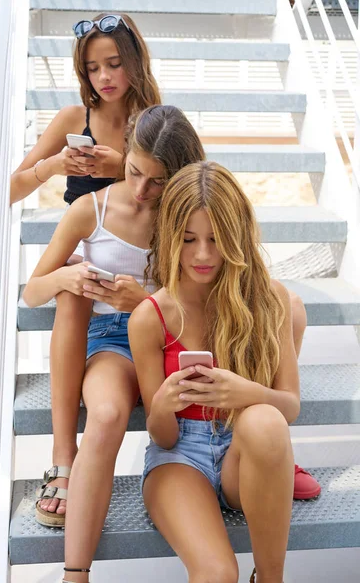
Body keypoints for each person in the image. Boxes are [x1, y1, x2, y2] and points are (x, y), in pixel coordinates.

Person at [22, 105, 206, 582]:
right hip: (113, 342)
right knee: (104, 414)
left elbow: (208, 303)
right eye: (135, 171)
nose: (143, 190)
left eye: (158, 181)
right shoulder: (92, 208)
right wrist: (67, 274)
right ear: (124, 153)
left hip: (177, 335)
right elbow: (32, 290)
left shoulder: (190, 219)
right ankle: (76, 572)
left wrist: (143, 300)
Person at [12, 13, 161, 527]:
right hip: (87, 246)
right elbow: (11, 188)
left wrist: (120, 165)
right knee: (70, 283)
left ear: (135, 61)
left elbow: (183, 185)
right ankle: (62, 458)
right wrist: (53, 167)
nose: (105, 77)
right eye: (93, 67)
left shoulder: (156, 121)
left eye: (115, 63)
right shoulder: (73, 116)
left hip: (140, 260)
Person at [128, 161, 301, 583]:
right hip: (179, 456)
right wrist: (164, 407)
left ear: (237, 238)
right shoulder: (150, 317)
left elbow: (289, 407)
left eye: (216, 239)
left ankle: (271, 577)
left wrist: (245, 393)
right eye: (188, 239)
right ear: (171, 237)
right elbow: (161, 435)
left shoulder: (271, 300)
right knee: (217, 573)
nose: (202, 254)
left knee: (264, 419)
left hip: (245, 451)